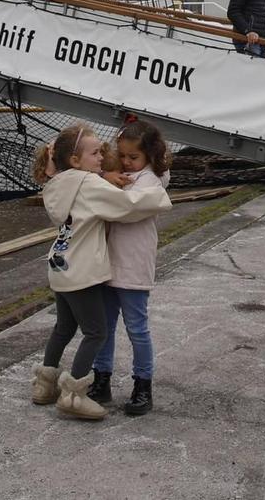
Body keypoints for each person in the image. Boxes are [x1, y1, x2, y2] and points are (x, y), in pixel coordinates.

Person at [30, 124, 171, 420]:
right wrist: (159, 197)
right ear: (76, 160)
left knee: (64, 328)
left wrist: (103, 174)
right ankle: (73, 395)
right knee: (97, 332)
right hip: (83, 270)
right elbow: (127, 204)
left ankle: (46, 385)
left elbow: (81, 173)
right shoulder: (91, 185)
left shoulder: (59, 183)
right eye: (97, 152)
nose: (104, 156)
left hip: (60, 264)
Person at [90, 119, 173, 415]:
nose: (126, 162)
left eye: (133, 157)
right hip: (108, 264)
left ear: (150, 155)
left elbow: (124, 209)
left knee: (136, 328)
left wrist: (103, 181)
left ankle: (142, 385)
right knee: (104, 327)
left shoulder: (149, 184)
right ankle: (101, 380)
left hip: (133, 265)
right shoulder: (122, 176)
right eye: (122, 155)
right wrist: (106, 174)